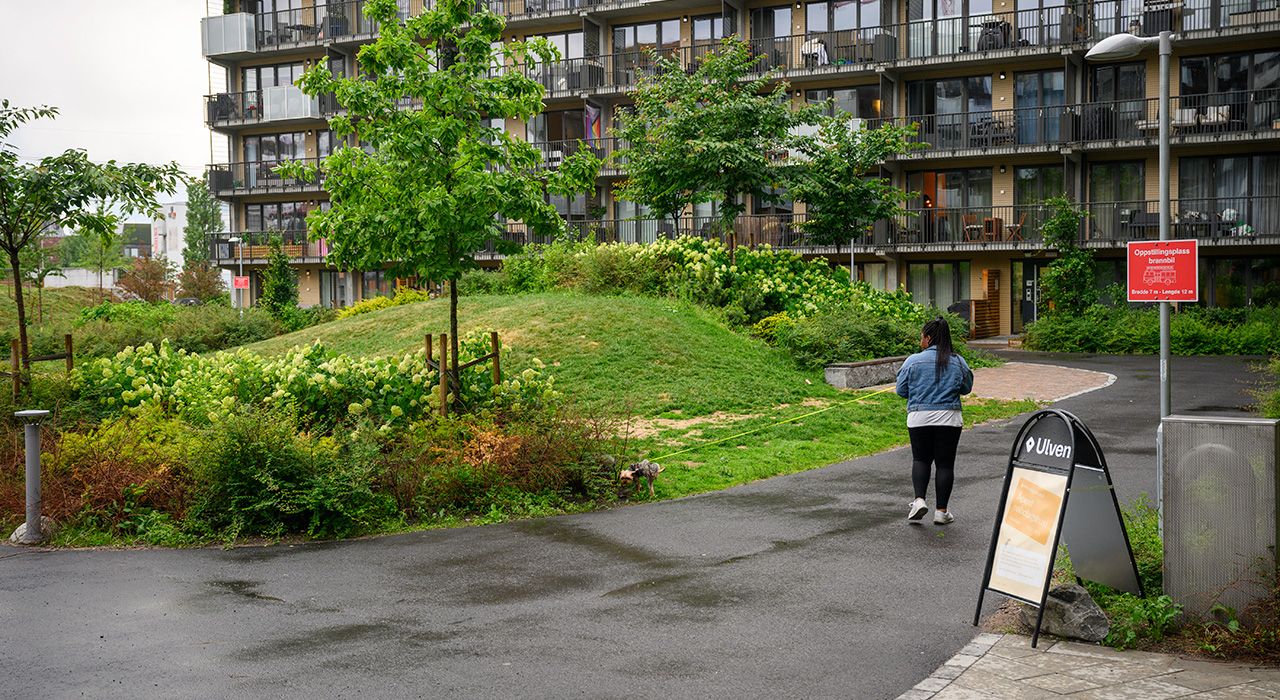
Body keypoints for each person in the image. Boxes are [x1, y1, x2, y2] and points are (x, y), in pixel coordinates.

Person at [895, 316, 974, 525]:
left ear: (928, 338)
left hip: (918, 417)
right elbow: (966, 388)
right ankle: (941, 512)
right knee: (945, 464)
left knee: (921, 460)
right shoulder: (958, 361)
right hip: (949, 418)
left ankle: (919, 500)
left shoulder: (913, 360)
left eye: (921, 337)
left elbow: (900, 390)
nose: (920, 340)